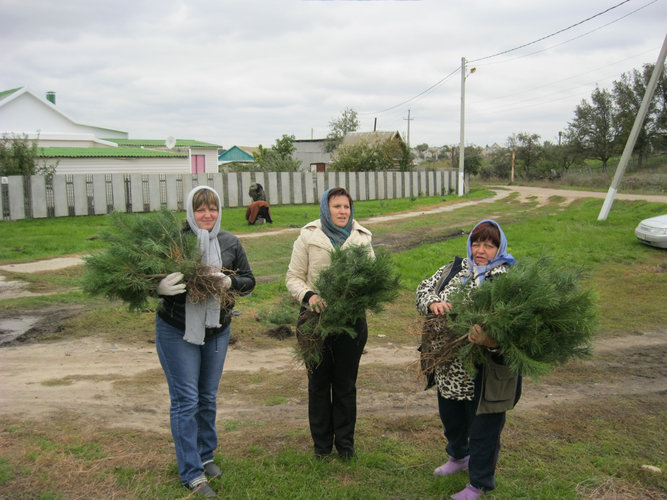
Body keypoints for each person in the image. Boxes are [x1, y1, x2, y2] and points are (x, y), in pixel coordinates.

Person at [155, 185, 255, 497]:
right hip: (177, 330)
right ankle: (191, 472)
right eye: (200, 209)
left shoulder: (230, 242)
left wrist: (231, 282)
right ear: (190, 212)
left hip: (217, 329)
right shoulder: (175, 243)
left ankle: (205, 454)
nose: (207, 215)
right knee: (186, 400)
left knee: (207, 397)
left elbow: (250, 281)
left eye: (212, 208)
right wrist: (157, 287)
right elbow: (142, 277)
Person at [415, 219, 520, 500]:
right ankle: (458, 457)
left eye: (488, 244)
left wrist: (491, 340)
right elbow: (424, 288)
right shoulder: (455, 269)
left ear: (499, 247)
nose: (480, 249)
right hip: (449, 368)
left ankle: (479, 484)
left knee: (483, 429)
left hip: (483, 373)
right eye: (476, 242)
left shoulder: (507, 279)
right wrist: (432, 302)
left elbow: (517, 330)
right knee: (452, 419)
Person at [285, 187, 374, 460]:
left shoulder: (362, 239)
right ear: (326, 208)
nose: (342, 212)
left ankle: (345, 446)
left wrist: (357, 293)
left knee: (346, 385)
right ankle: (322, 447)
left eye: (346, 206)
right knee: (319, 384)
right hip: (315, 323)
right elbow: (293, 277)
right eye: (336, 206)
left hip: (350, 322)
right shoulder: (308, 236)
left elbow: (373, 279)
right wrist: (309, 295)